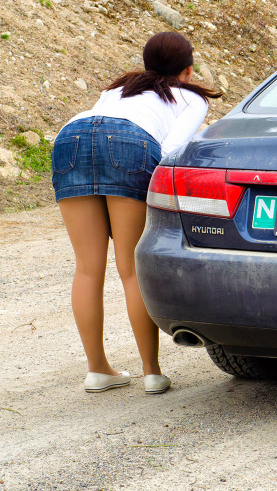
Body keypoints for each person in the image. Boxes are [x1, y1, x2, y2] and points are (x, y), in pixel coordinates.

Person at [52, 32, 221, 394]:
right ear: (188, 70)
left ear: (146, 63)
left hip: (71, 137)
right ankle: (151, 372)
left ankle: (98, 370)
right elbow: (171, 148)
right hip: (130, 142)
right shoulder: (190, 96)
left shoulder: (119, 88)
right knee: (131, 267)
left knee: (86, 267)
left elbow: (100, 123)